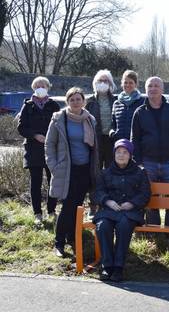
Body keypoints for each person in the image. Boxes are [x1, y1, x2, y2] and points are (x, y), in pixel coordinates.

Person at [45, 87, 99, 257]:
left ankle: (72, 237)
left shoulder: (90, 119)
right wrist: (53, 166)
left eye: (78, 99)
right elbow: (49, 144)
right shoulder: (59, 119)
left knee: (78, 206)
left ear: (84, 101)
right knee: (68, 205)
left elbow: (94, 147)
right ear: (67, 101)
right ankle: (59, 242)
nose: (75, 102)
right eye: (72, 99)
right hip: (67, 169)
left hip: (85, 169)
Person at [130, 76, 169, 226]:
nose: (153, 89)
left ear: (162, 89)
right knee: (150, 196)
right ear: (145, 89)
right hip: (148, 162)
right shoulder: (139, 112)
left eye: (156, 86)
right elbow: (134, 140)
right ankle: (154, 230)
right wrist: (139, 163)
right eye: (150, 86)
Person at [94, 139, 151, 282]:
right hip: (109, 210)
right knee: (103, 226)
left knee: (124, 225)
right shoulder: (105, 172)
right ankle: (107, 266)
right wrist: (108, 201)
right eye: (118, 152)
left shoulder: (139, 172)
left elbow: (145, 193)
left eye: (125, 152)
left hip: (130, 212)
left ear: (130, 155)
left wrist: (132, 203)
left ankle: (118, 267)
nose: (121, 155)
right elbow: (97, 192)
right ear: (114, 154)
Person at [17, 76, 60, 224]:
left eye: (43, 85)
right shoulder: (27, 106)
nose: (40, 87)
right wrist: (35, 135)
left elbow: (60, 125)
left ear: (48, 87)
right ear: (34, 88)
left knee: (52, 181)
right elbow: (21, 127)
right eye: (37, 85)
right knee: (35, 182)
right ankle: (37, 214)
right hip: (33, 149)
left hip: (51, 149)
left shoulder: (54, 105)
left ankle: (51, 211)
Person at [86, 69, 117, 217]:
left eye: (106, 81)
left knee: (112, 174)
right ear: (95, 83)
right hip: (95, 142)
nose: (103, 84)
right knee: (95, 174)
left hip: (111, 141)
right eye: (100, 81)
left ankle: (109, 205)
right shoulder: (89, 101)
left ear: (110, 83)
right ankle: (93, 206)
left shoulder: (116, 100)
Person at [110, 70, 144, 142]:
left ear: (136, 84)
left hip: (136, 144)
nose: (128, 85)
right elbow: (113, 124)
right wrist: (112, 133)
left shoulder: (142, 102)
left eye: (131, 83)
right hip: (120, 144)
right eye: (125, 82)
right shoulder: (116, 103)